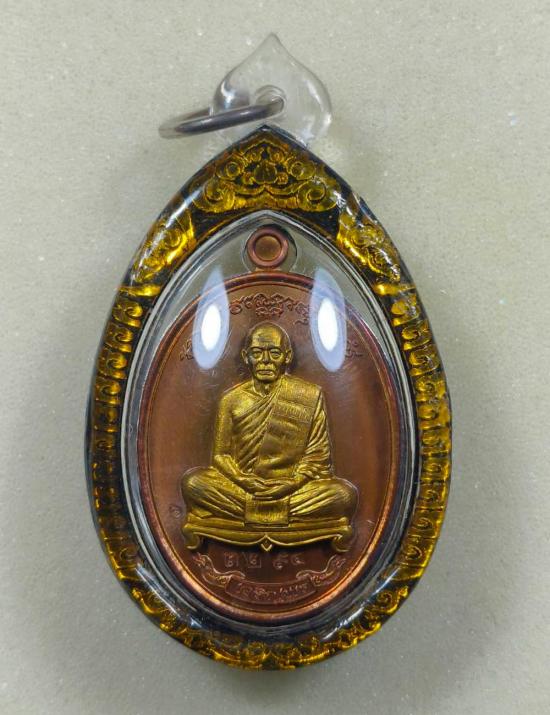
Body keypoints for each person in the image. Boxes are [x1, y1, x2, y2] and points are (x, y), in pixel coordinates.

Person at [181, 321, 357, 534]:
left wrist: (293, 484)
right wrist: (244, 481)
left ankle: (253, 512)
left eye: (274, 353)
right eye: (257, 353)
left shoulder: (308, 395)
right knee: (193, 483)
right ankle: (275, 513)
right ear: (246, 356)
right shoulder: (231, 400)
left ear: (287, 357)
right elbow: (220, 456)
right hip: (243, 488)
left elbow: (318, 456)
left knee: (343, 495)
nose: (265, 360)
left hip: (293, 489)